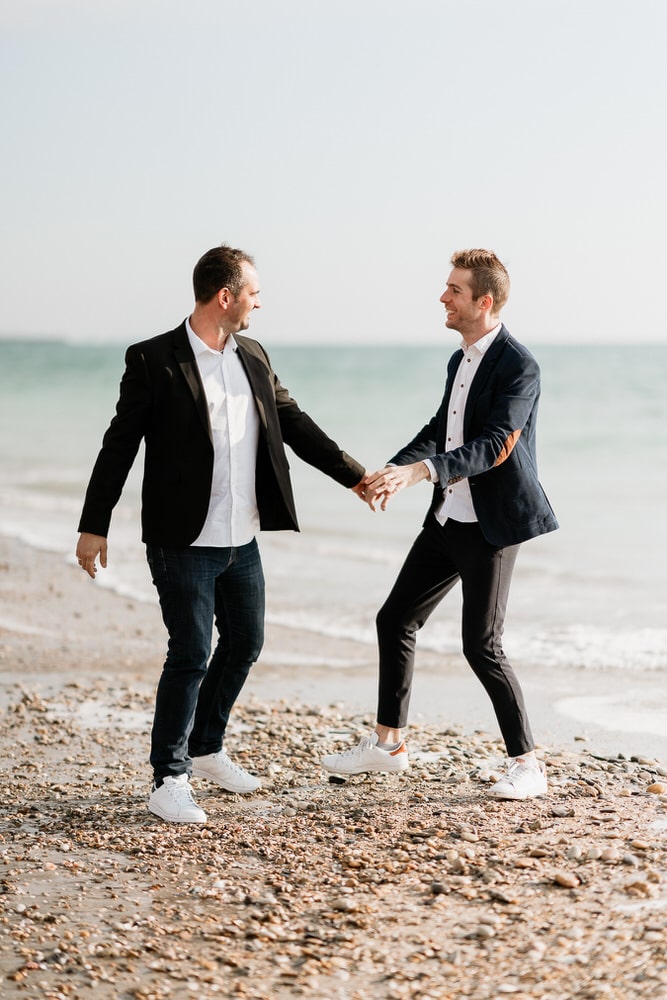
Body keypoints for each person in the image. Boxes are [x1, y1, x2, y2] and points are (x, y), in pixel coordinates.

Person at [76, 244, 365, 824]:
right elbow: (119, 444)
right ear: (225, 296)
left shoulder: (253, 355)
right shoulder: (153, 359)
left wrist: (356, 477)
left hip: (242, 538)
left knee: (245, 643)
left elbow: (295, 424)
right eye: (253, 293)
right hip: (181, 540)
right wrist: (94, 522)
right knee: (190, 653)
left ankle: (206, 749)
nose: (260, 302)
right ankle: (169, 777)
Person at [322, 249, 558, 800]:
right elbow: (442, 428)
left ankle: (528, 765)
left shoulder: (519, 365)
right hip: (448, 517)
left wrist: (419, 474)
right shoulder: (459, 361)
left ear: (484, 300)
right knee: (395, 619)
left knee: (482, 646)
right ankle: (390, 745)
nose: (443, 298)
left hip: (491, 526)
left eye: (454, 290)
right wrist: (395, 469)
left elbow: (496, 445)